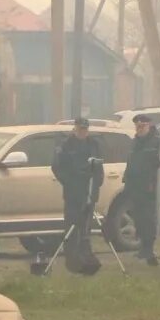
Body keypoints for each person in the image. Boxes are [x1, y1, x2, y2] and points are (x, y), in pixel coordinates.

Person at [49, 117, 103, 274]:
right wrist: (69, 182)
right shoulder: (66, 145)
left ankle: (86, 258)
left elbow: (99, 167)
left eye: (85, 129)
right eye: (80, 129)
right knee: (72, 226)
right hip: (73, 192)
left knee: (86, 227)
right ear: (75, 129)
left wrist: (97, 184)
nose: (83, 132)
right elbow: (57, 167)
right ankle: (72, 260)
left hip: (89, 192)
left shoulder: (94, 144)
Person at [122, 111, 160, 265]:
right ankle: (143, 248)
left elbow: (159, 165)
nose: (139, 128)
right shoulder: (135, 142)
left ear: (149, 125)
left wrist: (153, 182)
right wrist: (127, 181)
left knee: (148, 219)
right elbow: (130, 162)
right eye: (137, 126)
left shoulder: (156, 142)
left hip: (149, 187)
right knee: (138, 218)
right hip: (135, 186)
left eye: (142, 126)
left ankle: (148, 249)